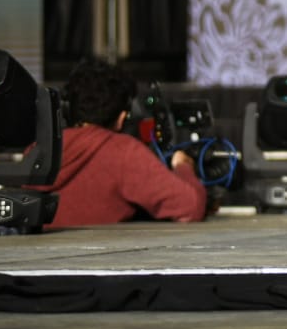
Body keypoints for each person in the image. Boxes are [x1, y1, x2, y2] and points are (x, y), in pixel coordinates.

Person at [40, 59, 208, 229]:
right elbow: (190, 207)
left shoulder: (38, 149)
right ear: (121, 118)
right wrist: (183, 166)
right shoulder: (123, 152)